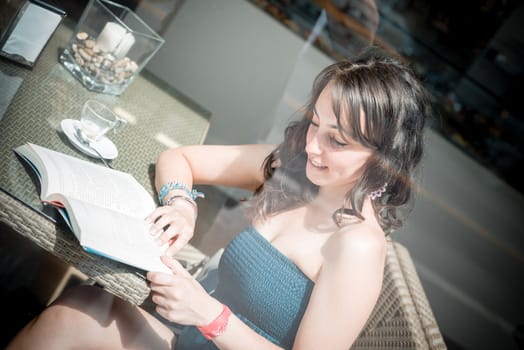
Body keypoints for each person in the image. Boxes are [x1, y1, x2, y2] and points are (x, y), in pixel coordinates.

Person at [6, 47, 431, 350]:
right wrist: (181, 205)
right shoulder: (297, 165)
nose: (314, 145)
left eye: (336, 140)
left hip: (200, 328)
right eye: (314, 123)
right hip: (183, 327)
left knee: (71, 318)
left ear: (383, 155)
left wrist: (208, 314)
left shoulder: (357, 244)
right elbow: (179, 158)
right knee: (83, 302)